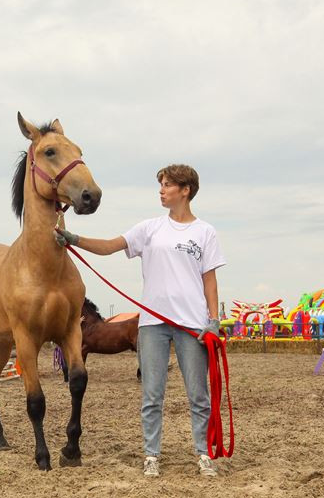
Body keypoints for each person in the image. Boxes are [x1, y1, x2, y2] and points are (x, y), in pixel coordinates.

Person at [54, 163, 225, 478]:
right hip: (152, 324)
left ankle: (203, 454)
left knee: (198, 395)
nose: (161, 190)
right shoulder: (150, 229)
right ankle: (151, 455)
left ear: (185, 190)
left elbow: (209, 280)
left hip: (192, 324)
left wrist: (213, 320)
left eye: (167, 184)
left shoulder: (205, 232)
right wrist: (74, 239)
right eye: (160, 184)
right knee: (152, 394)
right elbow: (110, 246)